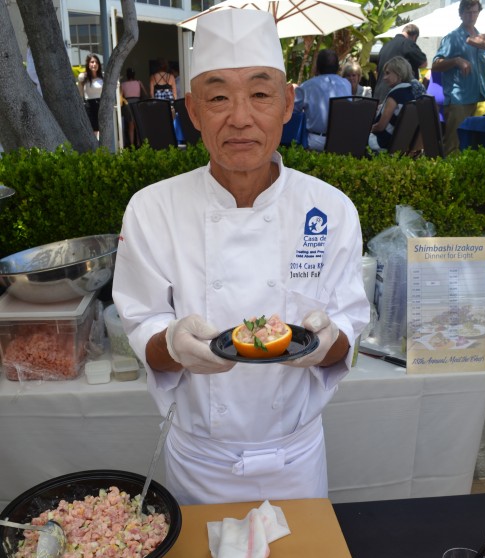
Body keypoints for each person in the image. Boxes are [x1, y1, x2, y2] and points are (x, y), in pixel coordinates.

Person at [112, 9, 370, 507]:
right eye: (217, 97)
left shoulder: (331, 209)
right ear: (192, 110)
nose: (240, 117)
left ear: (288, 102)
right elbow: (143, 327)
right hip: (199, 464)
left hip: (297, 461)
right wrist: (172, 342)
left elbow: (347, 340)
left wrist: (329, 340)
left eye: (259, 93)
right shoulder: (151, 209)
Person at [432, 0, 485, 156]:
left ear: (479, 12)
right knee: (454, 146)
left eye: (475, 12)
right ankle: (448, 179)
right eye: (468, 12)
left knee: (473, 147)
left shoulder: (480, 37)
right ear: (461, 14)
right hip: (459, 100)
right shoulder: (452, 37)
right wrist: (456, 60)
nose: (472, 15)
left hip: (479, 98)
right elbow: (435, 65)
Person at [293, 49, 351, 151]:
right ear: (337, 67)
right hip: (342, 141)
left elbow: (292, 111)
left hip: (315, 142)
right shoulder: (346, 84)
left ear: (317, 66)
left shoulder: (306, 87)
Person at [369, 56, 417, 152]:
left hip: (380, 142)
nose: (384, 78)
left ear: (399, 73)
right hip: (398, 144)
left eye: (387, 73)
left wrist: (366, 129)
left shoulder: (395, 95)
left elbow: (380, 126)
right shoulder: (410, 92)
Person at [374, 24, 427, 102]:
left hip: (379, 93)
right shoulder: (408, 43)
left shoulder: (386, 45)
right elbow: (424, 63)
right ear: (415, 37)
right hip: (398, 96)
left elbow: (377, 69)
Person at [120, 68, 148, 146]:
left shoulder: (123, 84)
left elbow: (121, 96)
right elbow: (145, 94)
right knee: (138, 124)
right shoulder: (138, 83)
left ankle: (132, 144)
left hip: (128, 104)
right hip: (137, 103)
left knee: (130, 125)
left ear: (127, 75)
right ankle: (139, 143)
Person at [78, 54, 104, 136]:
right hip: (89, 105)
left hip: (101, 105)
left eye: (96, 62)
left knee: (102, 129)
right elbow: (80, 92)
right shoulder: (83, 77)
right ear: (88, 64)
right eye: (92, 62)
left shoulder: (103, 77)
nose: (94, 64)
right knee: (93, 131)